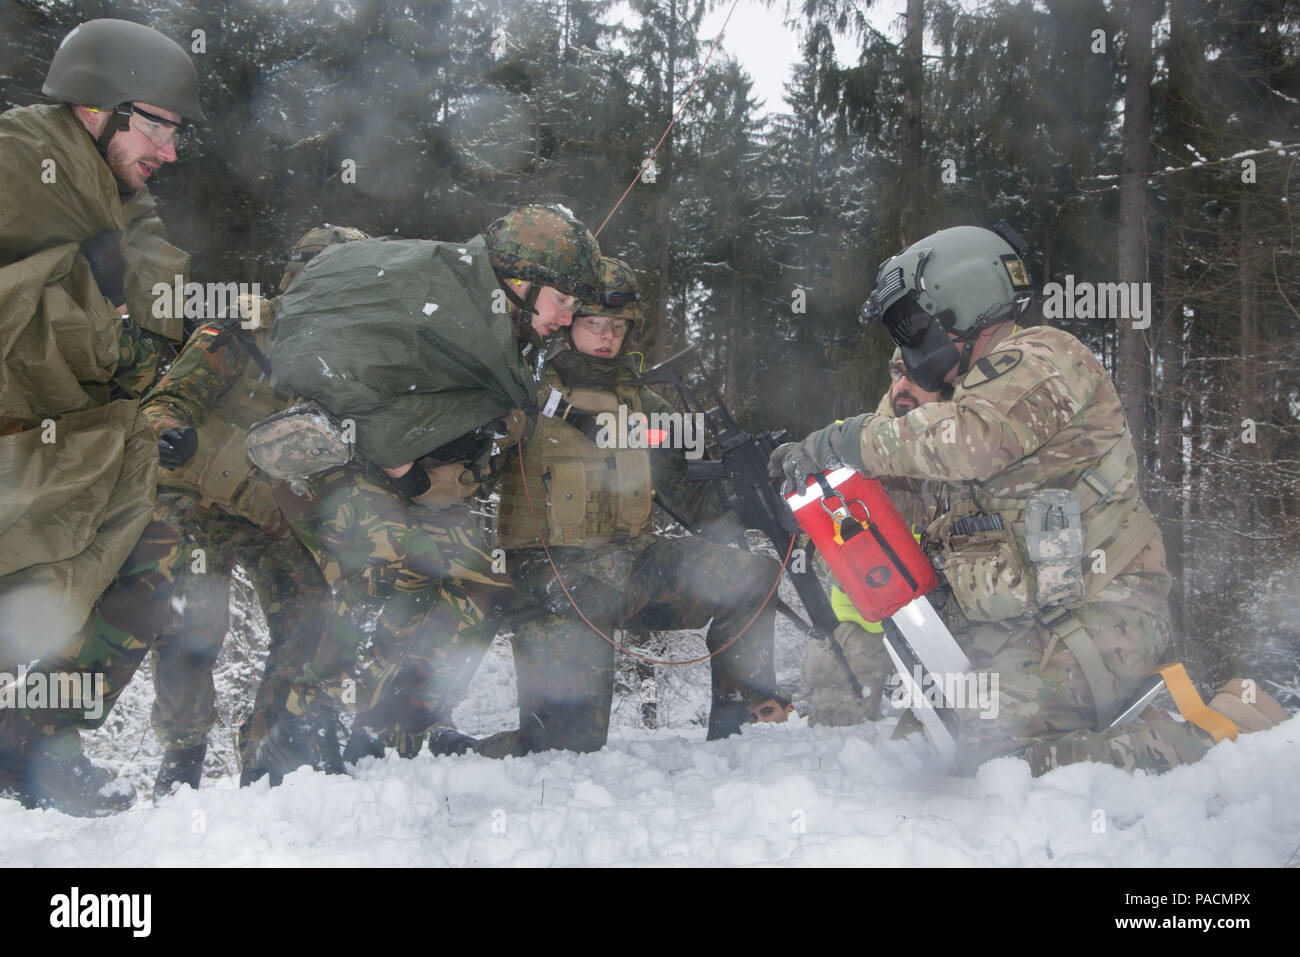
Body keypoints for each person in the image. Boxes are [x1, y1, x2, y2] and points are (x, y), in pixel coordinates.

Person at [774, 224, 1284, 775]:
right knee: (921, 748)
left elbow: (972, 442)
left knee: (1006, 763)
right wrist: (825, 489)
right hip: (1012, 627)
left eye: (913, 325)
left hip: (1100, 615)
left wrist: (839, 441)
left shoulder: (1043, 357)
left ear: (960, 305)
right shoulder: (951, 398)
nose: (908, 345)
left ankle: (1223, 729)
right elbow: (908, 508)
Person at [243, 205, 604, 781]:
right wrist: (401, 457)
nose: (566, 317)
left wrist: (481, 430)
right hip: (337, 459)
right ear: (519, 281)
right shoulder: (442, 302)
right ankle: (302, 731)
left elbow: (501, 406)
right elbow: (341, 374)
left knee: (480, 586)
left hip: (417, 478)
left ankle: (392, 730)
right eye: (562, 300)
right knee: (385, 573)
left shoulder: (499, 328)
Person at [445, 256, 789, 760]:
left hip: (636, 566)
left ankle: (738, 736)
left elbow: (691, 493)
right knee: (563, 751)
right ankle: (454, 752)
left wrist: (752, 506)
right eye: (592, 323)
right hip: (556, 583)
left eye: (616, 326)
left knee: (752, 578)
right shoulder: (526, 392)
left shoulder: (649, 407)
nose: (605, 336)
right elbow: (465, 473)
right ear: (567, 323)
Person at [0, 19, 204, 814]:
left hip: (68, 440)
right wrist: (78, 294)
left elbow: (164, 303)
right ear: (98, 106)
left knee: (146, 561)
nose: (170, 151)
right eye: (158, 124)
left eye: (177, 133)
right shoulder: (19, 161)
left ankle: (36, 743)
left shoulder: (121, 197)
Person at [139, 226, 368, 800]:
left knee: (311, 608)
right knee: (194, 623)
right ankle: (184, 751)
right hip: (196, 498)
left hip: (271, 510)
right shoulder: (237, 332)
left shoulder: (352, 364)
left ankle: (272, 746)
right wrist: (171, 434)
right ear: (294, 279)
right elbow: (164, 403)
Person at [803, 349, 941, 727]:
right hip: (862, 622)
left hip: (944, 628)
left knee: (931, 753)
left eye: (917, 375)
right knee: (834, 743)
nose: (903, 385)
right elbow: (819, 551)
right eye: (897, 371)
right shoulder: (846, 440)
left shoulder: (973, 442)